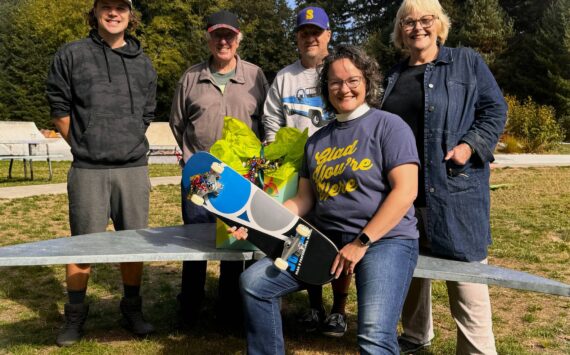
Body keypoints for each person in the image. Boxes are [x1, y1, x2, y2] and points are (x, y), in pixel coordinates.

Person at [234, 44, 420, 354]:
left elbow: (406, 192)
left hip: (384, 240)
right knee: (255, 283)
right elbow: (303, 200)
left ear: (368, 81)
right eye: (334, 81)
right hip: (325, 240)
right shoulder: (317, 140)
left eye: (352, 80)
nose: (343, 88)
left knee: (373, 334)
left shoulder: (389, 126)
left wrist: (360, 242)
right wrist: (256, 222)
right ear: (325, 87)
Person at [380, 0, 508, 353]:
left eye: (425, 19)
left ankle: (477, 350)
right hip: (404, 196)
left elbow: (495, 109)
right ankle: (416, 335)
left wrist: (470, 145)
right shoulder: (392, 77)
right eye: (408, 21)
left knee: (467, 284)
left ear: (439, 24)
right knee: (410, 272)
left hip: (454, 192)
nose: (417, 27)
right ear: (400, 30)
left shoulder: (466, 62)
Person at [46, 0, 157, 347]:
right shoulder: (71, 54)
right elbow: (59, 108)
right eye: (105, 6)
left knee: (134, 245)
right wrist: (83, 143)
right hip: (88, 169)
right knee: (81, 246)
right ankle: (75, 316)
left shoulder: (144, 64)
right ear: (94, 12)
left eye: (120, 7)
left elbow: (147, 113)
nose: (113, 13)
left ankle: (132, 309)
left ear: (130, 14)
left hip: (133, 168)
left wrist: (125, 142)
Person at [169, 10, 268, 329]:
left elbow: (265, 123)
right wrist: (192, 157)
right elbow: (177, 123)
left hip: (239, 178)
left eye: (229, 36)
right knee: (195, 239)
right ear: (208, 38)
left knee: (235, 242)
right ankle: (190, 307)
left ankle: (230, 307)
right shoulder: (191, 78)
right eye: (217, 35)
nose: (223, 41)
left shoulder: (255, 76)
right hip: (202, 176)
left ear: (239, 39)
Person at [262, 6, 351, 337]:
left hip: (338, 170)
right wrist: (277, 149)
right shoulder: (285, 77)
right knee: (303, 239)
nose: (310, 37)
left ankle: (340, 310)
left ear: (328, 35)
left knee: (340, 238)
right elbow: (271, 118)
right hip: (297, 174)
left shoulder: (339, 71)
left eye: (316, 31)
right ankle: (315, 306)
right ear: (297, 38)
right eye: (304, 32)